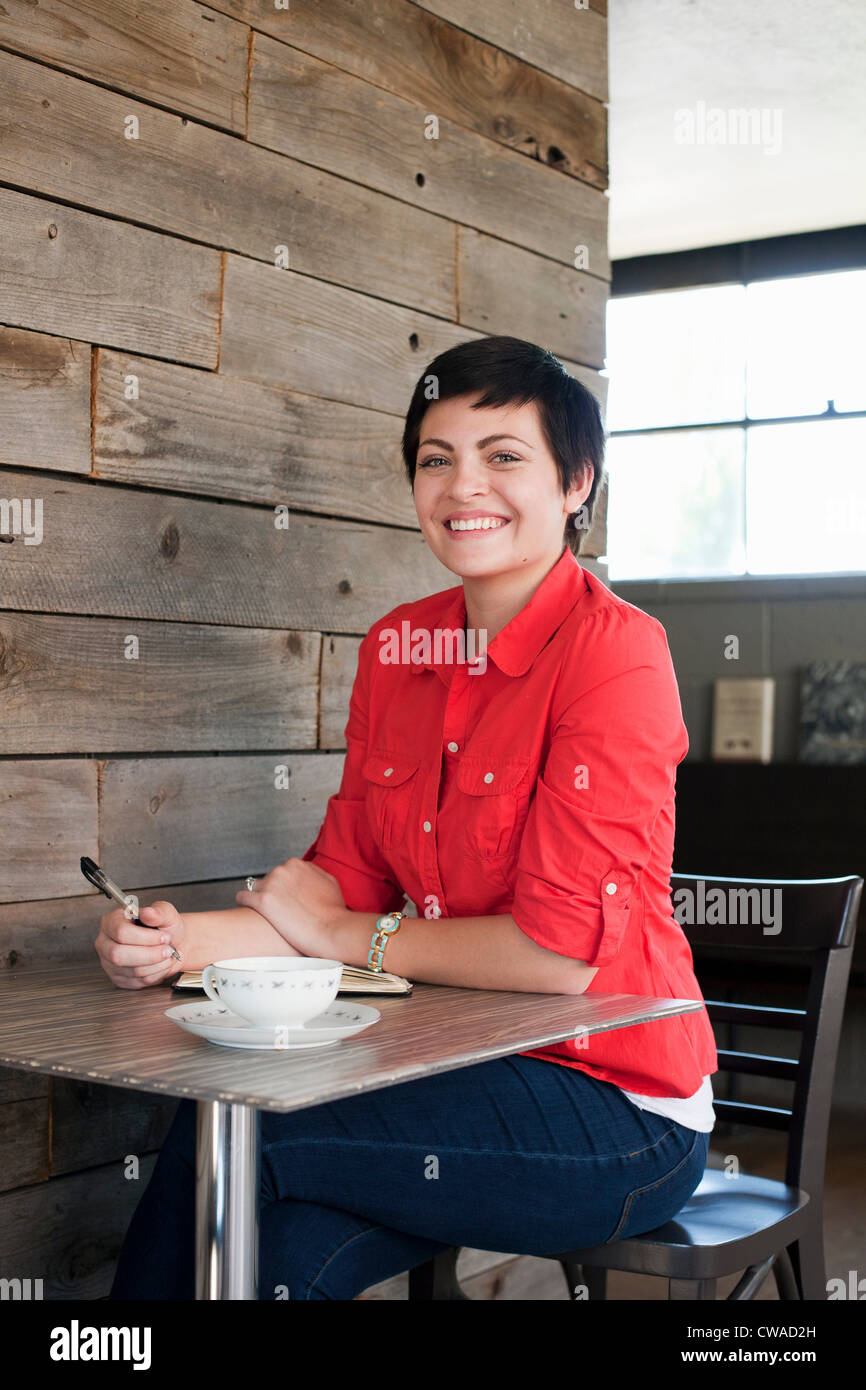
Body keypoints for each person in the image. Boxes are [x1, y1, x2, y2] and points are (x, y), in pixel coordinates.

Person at [102, 336, 717, 1300]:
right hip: (443, 1077)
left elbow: (559, 959)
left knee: (245, 1124)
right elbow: (332, 883)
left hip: (614, 1109)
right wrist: (176, 945)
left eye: (504, 455)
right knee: (271, 1258)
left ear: (576, 482)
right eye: (437, 459)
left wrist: (351, 939)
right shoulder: (397, 648)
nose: (464, 483)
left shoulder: (618, 657)